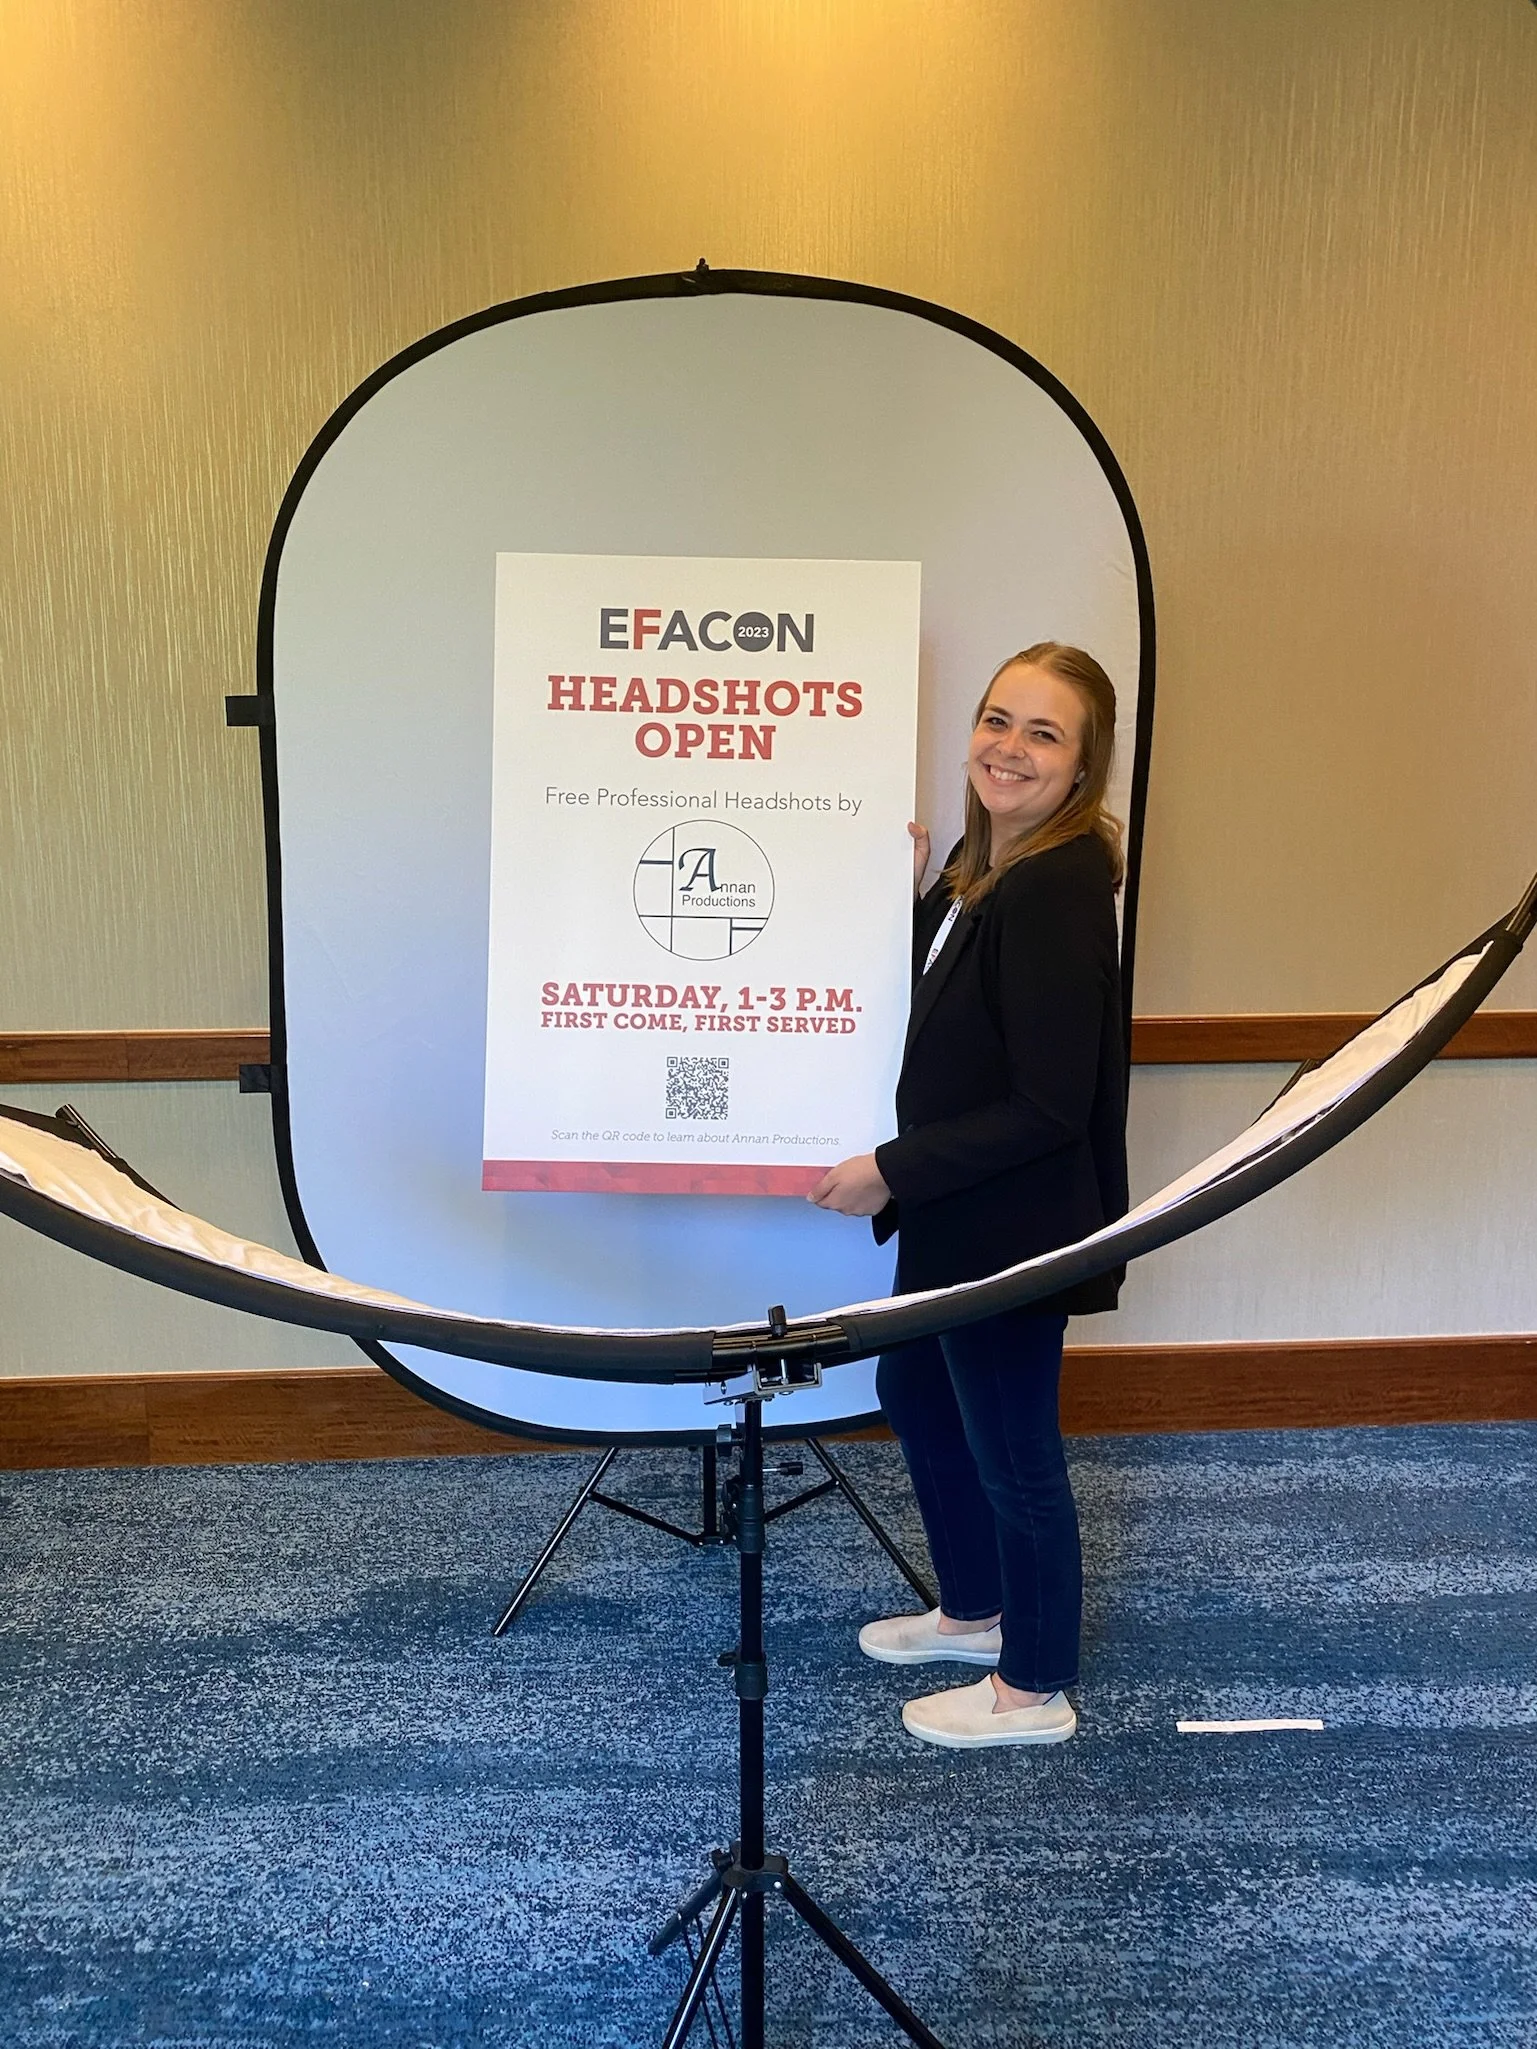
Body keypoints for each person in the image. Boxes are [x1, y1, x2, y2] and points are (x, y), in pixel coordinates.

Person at [808, 642, 1128, 1749]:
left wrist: (890, 1170)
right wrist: (909, 906)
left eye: (1044, 734)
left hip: (1011, 1227)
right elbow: (959, 1008)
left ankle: (1033, 1687)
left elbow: (1048, 1105)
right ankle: (977, 1614)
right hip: (958, 1217)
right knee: (916, 1391)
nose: (1009, 747)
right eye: (999, 720)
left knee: (1012, 1447)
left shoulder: (1058, 887)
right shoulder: (982, 871)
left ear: (1084, 767)